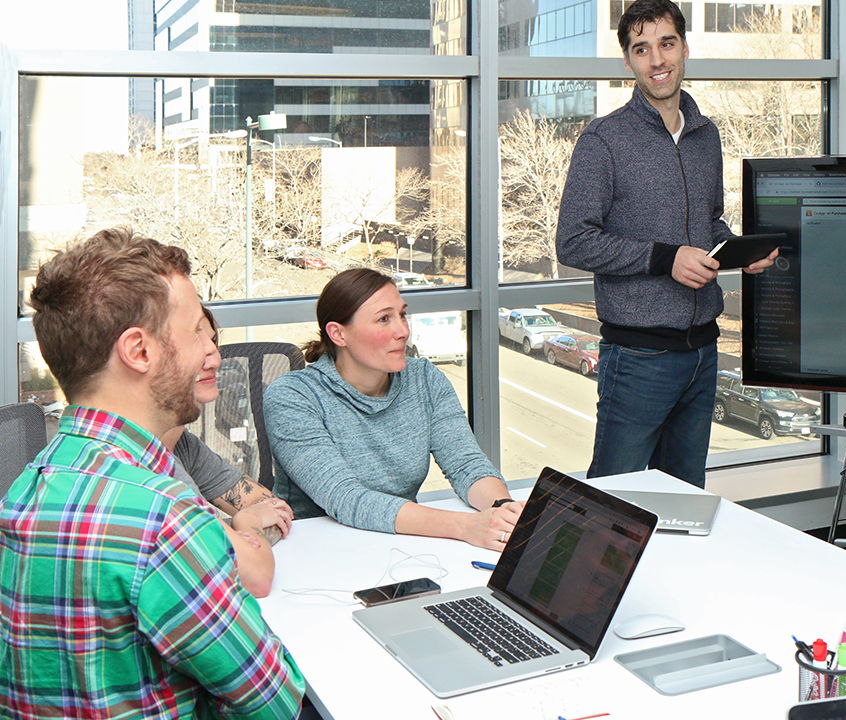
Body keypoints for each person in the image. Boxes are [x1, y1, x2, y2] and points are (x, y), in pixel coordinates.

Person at [0, 228, 304, 718]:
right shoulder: (164, 520)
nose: (213, 352)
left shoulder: (28, 485)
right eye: (195, 333)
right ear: (139, 352)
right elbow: (275, 702)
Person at [554, 0, 776, 488]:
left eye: (666, 44)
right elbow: (572, 242)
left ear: (684, 47)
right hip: (637, 359)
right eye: (641, 49)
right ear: (629, 61)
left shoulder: (706, 135)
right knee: (615, 501)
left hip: (703, 352)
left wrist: (739, 252)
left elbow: (706, 225)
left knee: (684, 500)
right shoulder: (603, 140)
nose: (657, 60)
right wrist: (664, 258)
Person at [263, 268, 523, 550]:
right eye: (384, 319)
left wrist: (502, 510)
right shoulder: (293, 396)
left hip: (402, 543)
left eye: (402, 314)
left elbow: (466, 465)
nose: (403, 331)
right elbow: (345, 498)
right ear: (338, 334)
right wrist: (464, 526)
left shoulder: (425, 379)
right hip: (319, 550)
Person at [160, 305, 295, 598]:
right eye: (197, 342)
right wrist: (244, 523)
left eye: (213, 343)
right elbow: (253, 575)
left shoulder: (181, 442)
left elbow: (276, 509)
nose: (216, 358)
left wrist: (234, 535)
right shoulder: (146, 464)